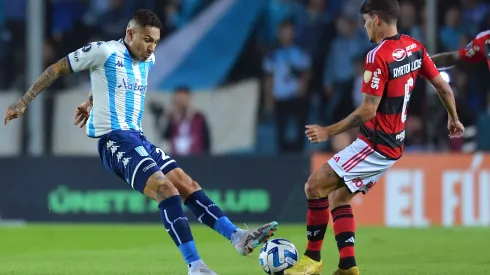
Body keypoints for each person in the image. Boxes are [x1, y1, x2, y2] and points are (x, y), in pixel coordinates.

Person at [3, 9, 277, 275]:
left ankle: (237, 237)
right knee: (166, 190)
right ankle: (196, 266)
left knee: (186, 184)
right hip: (114, 141)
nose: (151, 48)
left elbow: (109, 81)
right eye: (147, 40)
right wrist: (24, 102)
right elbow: (56, 68)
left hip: (138, 138)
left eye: (155, 42)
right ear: (130, 33)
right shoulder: (104, 50)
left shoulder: (149, 60)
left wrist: (90, 100)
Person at [285, 1, 465, 275]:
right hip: (393, 144)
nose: (365, 27)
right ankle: (347, 266)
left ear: (377, 20)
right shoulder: (414, 47)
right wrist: (454, 117)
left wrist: (328, 131)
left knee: (314, 186)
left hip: (375, 144)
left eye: (367, 21)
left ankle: (311, 259)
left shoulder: (377, 56)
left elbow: (368, 110)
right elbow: (442, 86)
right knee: (339, 199)